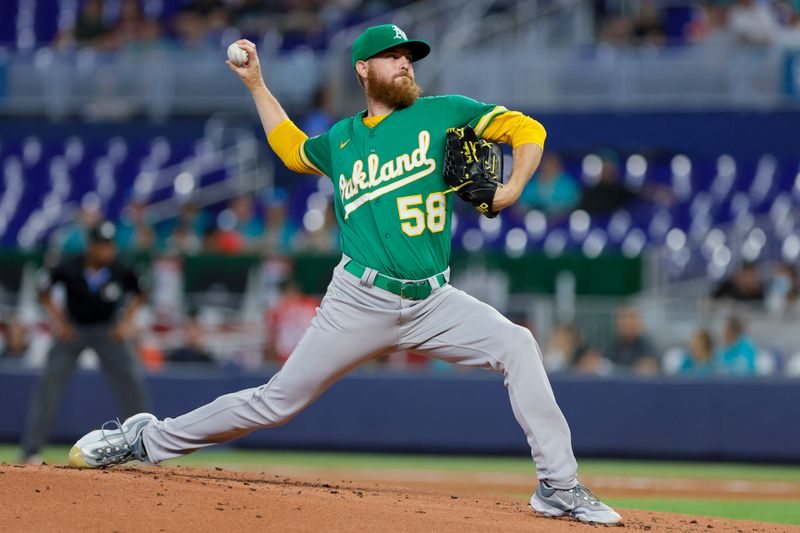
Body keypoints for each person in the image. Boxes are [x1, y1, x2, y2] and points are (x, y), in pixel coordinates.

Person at [69, 25, 620, 525]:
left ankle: (558, 486)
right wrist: (257, 84)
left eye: (409, 57)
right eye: (391, 57)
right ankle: (145, 439)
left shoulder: (444, 111)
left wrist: (512, 187)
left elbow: (528, 130)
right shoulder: (342, 141)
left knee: (518, 344)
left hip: (434, 301)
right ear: (363, 69)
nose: (405, 64)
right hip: (359, 299)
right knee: (276, 401)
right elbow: (289, 150)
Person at [20, 222, 150, 463]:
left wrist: (126, 324)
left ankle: (146, 447)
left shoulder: (120, 269)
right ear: (91, 246)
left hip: (107, 331)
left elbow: (142, 291)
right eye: (101, 246)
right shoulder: (70, 266)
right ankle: (31, 450)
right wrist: (60, 322)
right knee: (49, 383)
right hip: (74, 329)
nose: (106, 251)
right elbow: (43, 288)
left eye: (109, 246)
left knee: (130, 383)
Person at [518, 152, 581, 218]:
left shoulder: (568, 184)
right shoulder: (531, 183)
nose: (548, 167)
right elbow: (521, 206)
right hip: (534, 219)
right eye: (546, 163)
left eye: (552, 163)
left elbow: (573, 204)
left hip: (561, 220)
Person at [607, 307, 659, 375]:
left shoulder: (647, 346)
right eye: (622, 318)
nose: (626, 322)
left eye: (630, 317)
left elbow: (651, 366)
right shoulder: (614, 344)